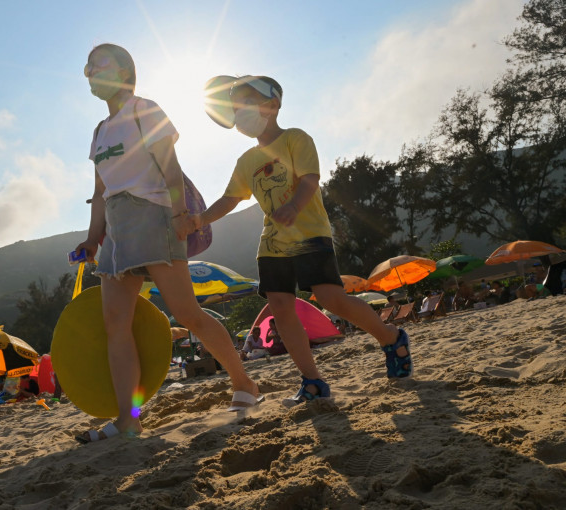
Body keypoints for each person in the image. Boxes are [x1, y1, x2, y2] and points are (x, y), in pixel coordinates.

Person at [73, 44, 260, 442]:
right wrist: (92, 240)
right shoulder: (99, 133)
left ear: (125, 71)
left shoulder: (145, 110)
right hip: (117, 230)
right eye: (87, 67)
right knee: (115, 325)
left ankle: (245, 382)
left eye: (99, 64)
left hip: (154, 216)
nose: (89, 71)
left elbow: (171, 170)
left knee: (187, 314)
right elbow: (101, 191)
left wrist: (179, 216)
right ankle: (129, 418)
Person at [195, 75, 413, 407]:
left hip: (309, 232)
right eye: (235, 107)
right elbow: (229, 200)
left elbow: (310, 179)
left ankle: (392, 338)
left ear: (272, 105)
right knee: (281, 308)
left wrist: (294, 206)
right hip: (271, 243)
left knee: (331, 299)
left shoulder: (296, 138)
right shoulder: (246, 161)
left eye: (247, 103)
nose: (240, 113)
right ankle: (312, 381)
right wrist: (199, 220)